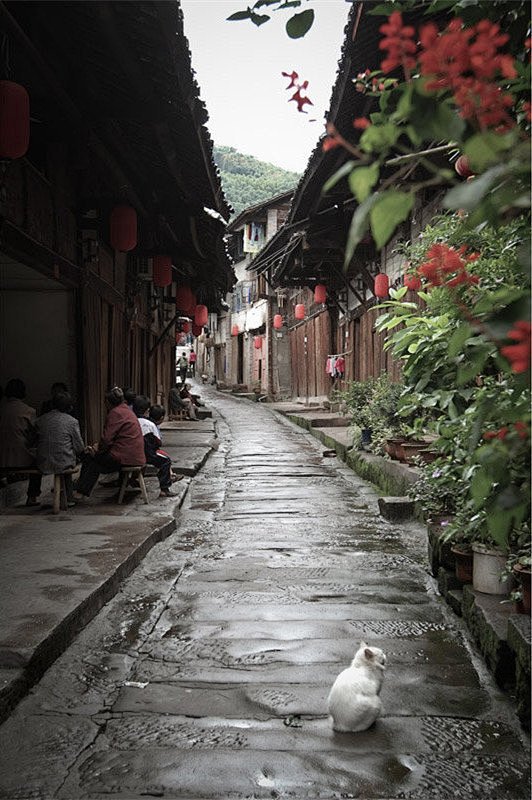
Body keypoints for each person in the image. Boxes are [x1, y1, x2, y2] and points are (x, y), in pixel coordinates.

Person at [73, 386, 145, 499]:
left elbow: (106, 440)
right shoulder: (127, 411)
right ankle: (80, 488)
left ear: (107, 402)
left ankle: (80, 492)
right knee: (93, 457)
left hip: (124, 457)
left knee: (91, 459)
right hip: (134, 455)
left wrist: (96, 450)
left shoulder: (115, 413)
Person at [27, 391, 85, 506]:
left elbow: (32, 441)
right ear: (69, 407)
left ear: (52, 404)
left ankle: (32, 497)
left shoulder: (40, 420)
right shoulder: (72, 422)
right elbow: (79, 447)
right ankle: (69, 497)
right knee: (66, 458)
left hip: (42, 462)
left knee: (34, 461)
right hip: (63, 462)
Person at [133, 397, 182, 498]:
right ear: (147, 410)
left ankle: (132, 480)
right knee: (166, 461)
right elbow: (158, 442)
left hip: (131, 453)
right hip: (147, 454)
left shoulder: (132, 420)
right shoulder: (150, 425)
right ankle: (164, 488)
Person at [0, 379, 37, 479]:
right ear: (23, 392)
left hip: (2, 459)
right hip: (21, 458)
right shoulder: (29, 411)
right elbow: (36, 434)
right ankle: (32, 493)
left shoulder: (2, 409)